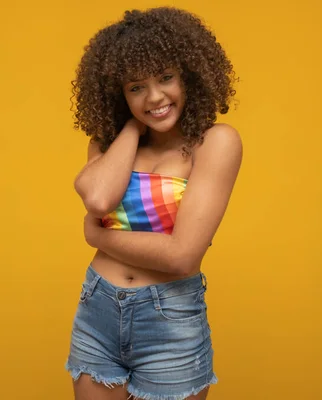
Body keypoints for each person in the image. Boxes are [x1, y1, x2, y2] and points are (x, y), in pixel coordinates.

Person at [65, 6, 242, 400]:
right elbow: (97, 197)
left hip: (169, 319)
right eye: (136, 87)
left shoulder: (214, 143)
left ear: (189, 76)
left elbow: (182, 257)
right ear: (118, 93)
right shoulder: (108, 145)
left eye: (165, 78)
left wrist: (98, 236)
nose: (155, 96)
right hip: (98, 309)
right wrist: (132, 125)